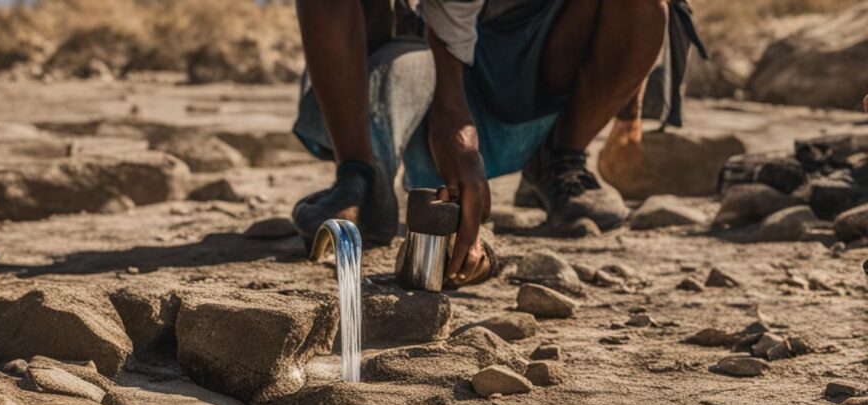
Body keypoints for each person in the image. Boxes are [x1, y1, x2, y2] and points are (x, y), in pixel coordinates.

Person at [291, 0, 702, 287]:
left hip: (522, 60)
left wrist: (629, 119)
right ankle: (360, 173)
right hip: (409, 51)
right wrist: (452, 115)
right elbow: (449, 20)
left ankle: (560, 157)